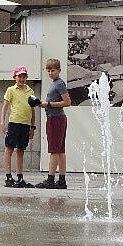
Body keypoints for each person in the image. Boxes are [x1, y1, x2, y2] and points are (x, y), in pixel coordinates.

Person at [35, 58, 72, 189]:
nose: (50, 73)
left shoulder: (59, 84)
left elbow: (67, 102)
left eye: (53, 70)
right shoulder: (55, 83)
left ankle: (50, 180)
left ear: (59, 70)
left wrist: (48, 104)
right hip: (56, 118)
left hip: (56, 119)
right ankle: (62, 180)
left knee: (54, 150)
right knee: (60, 150)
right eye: (48, 70)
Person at [0, 66, 36, 188]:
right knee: (9, 148)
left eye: (24, 76)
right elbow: (5, 107)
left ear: (26, 77)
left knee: (21, 150)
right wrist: (2, 122)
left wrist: (33, 126)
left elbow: (33, 109)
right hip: (14, 123)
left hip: (25, 124)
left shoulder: (30, 91)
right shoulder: (11, 90)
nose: (21, 78)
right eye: (19, 76)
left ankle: (20, 177)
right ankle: (8, 177)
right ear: (15, 77)